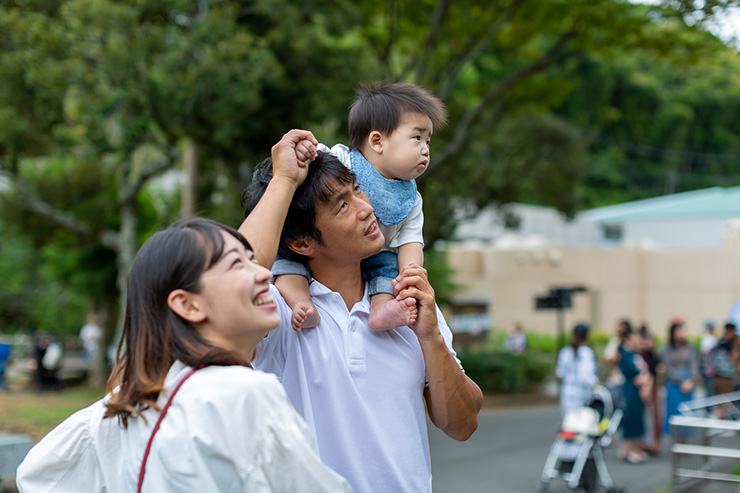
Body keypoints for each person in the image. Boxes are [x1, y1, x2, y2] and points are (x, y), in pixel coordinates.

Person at [16, 132, 352, 493]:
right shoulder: (243, 394)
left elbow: (36, 474)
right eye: (237, 264)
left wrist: (285, 180)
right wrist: (284, 180)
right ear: (187, 304)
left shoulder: (123, 410)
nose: (263, 272)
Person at [242, 148, 483, 493]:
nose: (366, 208)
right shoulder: (280, 314)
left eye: (357, 189)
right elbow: (233, 271)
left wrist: (431, 337)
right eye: (342, 206)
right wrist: (283, 180)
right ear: (302, 242)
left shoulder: (408, 303)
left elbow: (463, 425)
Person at [271, 81, 447, 332]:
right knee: (287, 259)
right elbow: (314, 158)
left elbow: (411, 243)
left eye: (428, 141)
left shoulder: (411, 199)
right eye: (417, 137)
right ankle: (299, 301)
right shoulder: (342, 161)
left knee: (390, 273)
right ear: (377, 141)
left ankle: (381, 311)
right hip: (325, 255)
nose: (425, 150)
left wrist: (410, 277)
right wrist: (302, 149)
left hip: (380, 254)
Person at [617, 326, 650, 464]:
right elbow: (636, 374)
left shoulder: (632, 354)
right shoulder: (625, 354)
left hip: (634, 390)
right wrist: (642, 376)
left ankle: (629, 450)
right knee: (630, 418)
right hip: (629, 390)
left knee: (635, 418)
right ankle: (629, 451)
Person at [662, 320, 699, 434]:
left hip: (688, 384)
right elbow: (667, 367)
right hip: (674, 384)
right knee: (674, 412)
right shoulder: (666, 348)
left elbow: (694, 365)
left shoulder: (690, 347)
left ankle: (685, 441)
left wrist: (691, 381)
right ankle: (675, 440)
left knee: (687, 413)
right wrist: (681, 381)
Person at [555, 323, 597, 415]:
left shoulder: (565, 351)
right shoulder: (586, 352)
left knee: (567, 423)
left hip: (566, 393)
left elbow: (559, 373)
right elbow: (587, 377)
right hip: (581, 394)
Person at [700, 319, 718, 397]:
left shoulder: (705, 339)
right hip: (709, 370)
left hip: (708, 369)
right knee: (709, 391)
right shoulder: (709, 339)